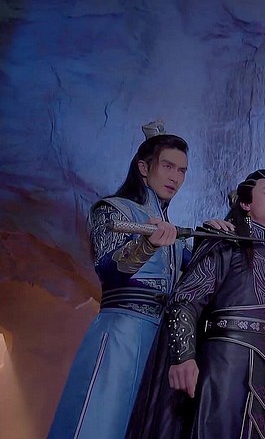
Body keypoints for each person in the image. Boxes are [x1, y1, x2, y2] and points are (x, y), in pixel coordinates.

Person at [49, 122, 194, 439]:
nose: (175, 177)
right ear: (144, 167)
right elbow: (108, 268)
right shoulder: (112, 209)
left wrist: (220, 230)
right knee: (103, 419)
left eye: (182, 170)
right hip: (121, 333)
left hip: (160, 342)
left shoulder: (176, 234)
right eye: (167, 166)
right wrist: (147, 245)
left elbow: (199, 274)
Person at [166, 169, 265, 439]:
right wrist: (183, 356)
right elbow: (185, 300)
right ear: (245, 203)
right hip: (227, 363)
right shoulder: (226, 242)